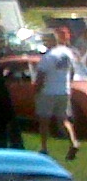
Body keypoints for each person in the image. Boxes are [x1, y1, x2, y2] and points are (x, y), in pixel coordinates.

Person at [34, 30, 80, 160]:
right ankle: (73, 142)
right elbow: (72, 71)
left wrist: (36, 91)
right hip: (64, 90)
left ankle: (44, 148)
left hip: (48, 91)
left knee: (44, 121)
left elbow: (40, 77)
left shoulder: (48, 57)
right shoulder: (67, 53)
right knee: (63, 119)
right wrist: (68, 84)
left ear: (49, 41)